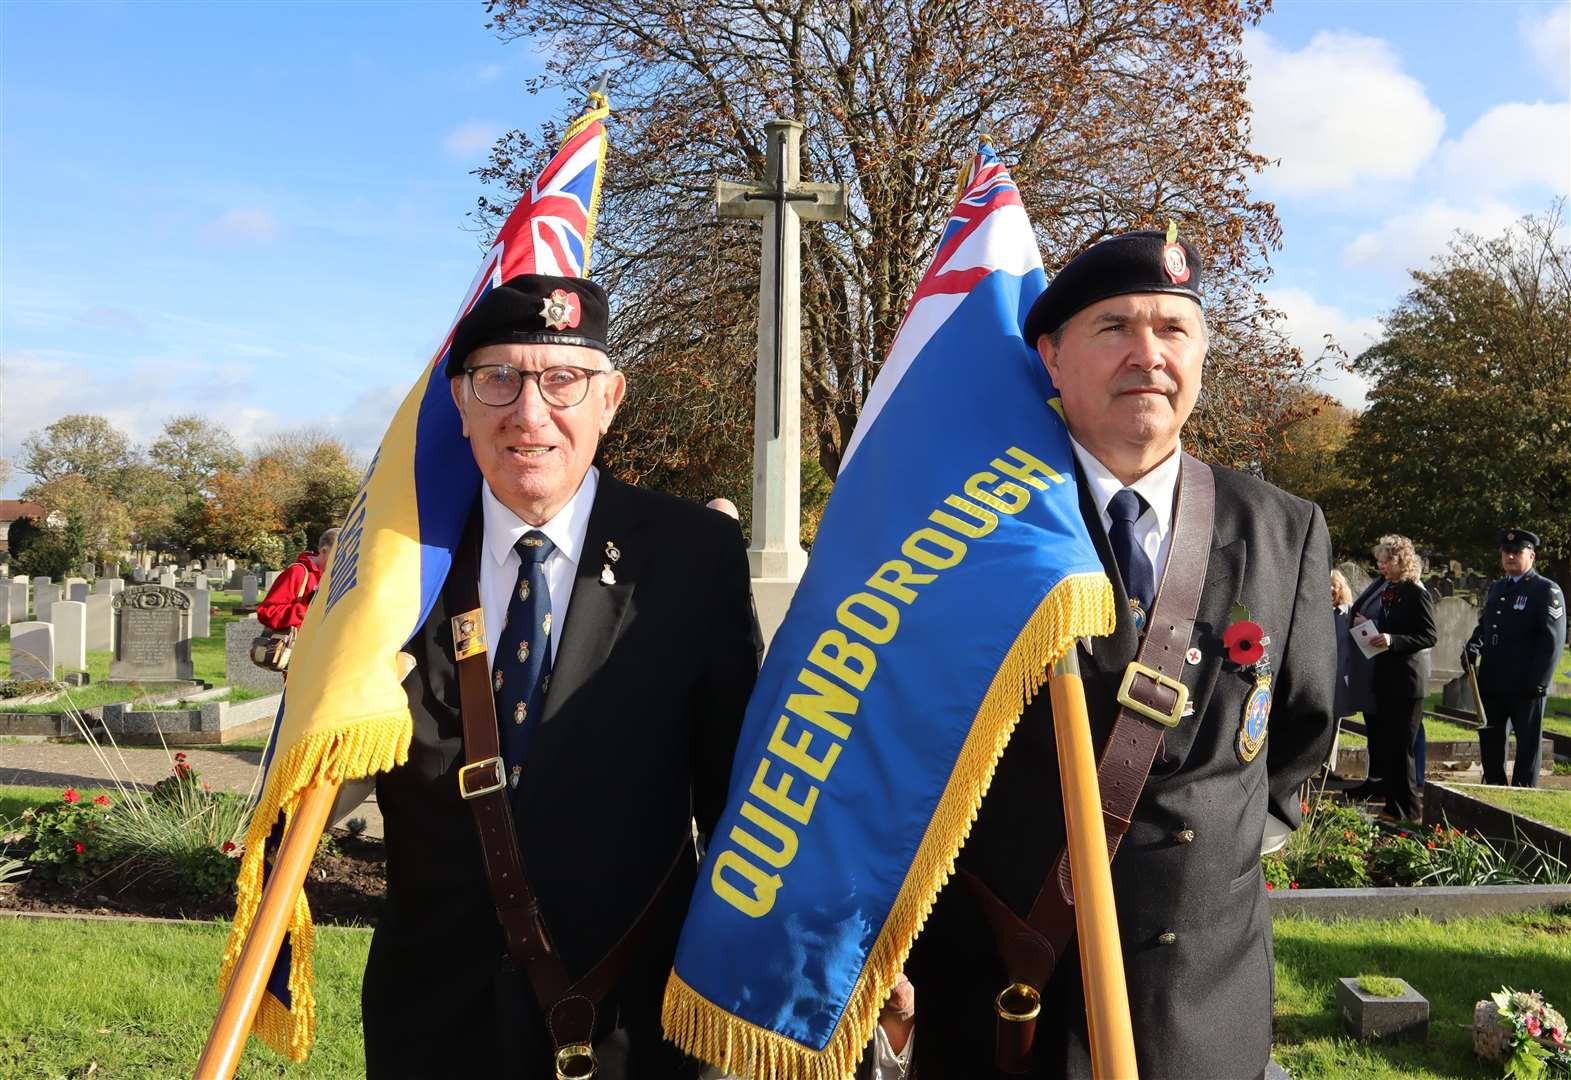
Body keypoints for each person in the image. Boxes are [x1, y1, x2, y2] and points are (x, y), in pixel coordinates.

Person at [907, 230, 1336, 1080]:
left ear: (1201, 355)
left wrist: (1206, 865)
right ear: (1052, 359)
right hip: (1008, 984)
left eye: (1173, 330)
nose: (1148, 354)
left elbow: (1300, 731)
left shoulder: (1284, 529)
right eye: (1113, 328)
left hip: (1201, 999)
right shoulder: (964, 533)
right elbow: (906, 743)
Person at [360, 273, 759, 1078]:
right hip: (436, 1020)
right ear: (461, 403)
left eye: (562, 380)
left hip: (634, 1016)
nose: (529, 413)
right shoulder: (392, 566)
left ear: (609, 399)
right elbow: (323, 772)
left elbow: (736, 793)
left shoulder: (691, 557)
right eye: (497, 378)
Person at [1465, 528, 1567, 787]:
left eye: (1516, 552)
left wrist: (1540, 681)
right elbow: (1486, 626)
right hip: (1493, 679)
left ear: (1531, 556)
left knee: (1527, 744)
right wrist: (1473, 646)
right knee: (1491, 739)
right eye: (1506, 552)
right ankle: (1495, 785)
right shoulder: (1499, 587)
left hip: (1526, 683)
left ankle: (1523, 790)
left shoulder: (1546, 590)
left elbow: (1552, 640)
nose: (1510, 557)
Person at [1354, 535, 1436, 820]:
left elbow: (1428, 635)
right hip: (1385, 678)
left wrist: (1392, 639)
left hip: (1408, 682)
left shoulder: (1416, 593)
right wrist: (1371, 628)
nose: (1382, 566)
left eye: (1386, 561)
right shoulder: (1388, 590)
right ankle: (1392, 807)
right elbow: (1388, 626)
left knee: (1403, 750)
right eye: (1379, 561)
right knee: (1388, 747)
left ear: (1402, 561)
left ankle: (1409, 812)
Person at [255, 528, 338, 632]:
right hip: (298, 645)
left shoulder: (336, 577)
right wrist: (306, 609)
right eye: (338, 556)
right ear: (324, 551)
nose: (342, 562)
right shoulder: (298, 572)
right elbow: (266, 613)